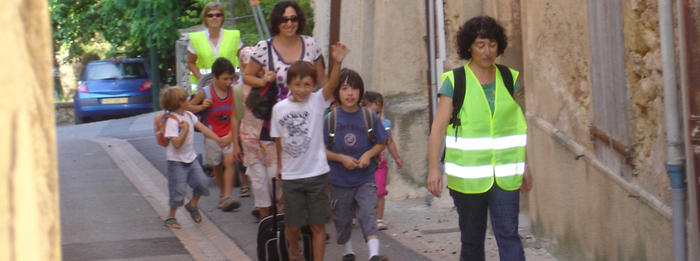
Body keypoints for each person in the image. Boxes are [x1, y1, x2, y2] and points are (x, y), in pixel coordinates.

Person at [426, 16, 532, 261]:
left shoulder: (509, 79)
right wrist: (434, 170)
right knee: (472, 240)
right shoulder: (455, 82)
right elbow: (437, 128)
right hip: (468, 178)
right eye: (480, 44)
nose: (487, 51)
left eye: (492, 44)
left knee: (509, 235)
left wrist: (525, 165)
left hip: (505, 176)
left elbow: (516, 128)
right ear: (469, 46)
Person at [271, 43, 348, 261]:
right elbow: (278, 139)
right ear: (289, 85)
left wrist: (338, 61)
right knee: (292, 225)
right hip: (292, 176)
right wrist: (279, 166)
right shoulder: (279, 109)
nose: (302, 89)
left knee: (317, 225)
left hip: (316, 174)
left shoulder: (316, 101)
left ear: (313, 85)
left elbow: (332, 85)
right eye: (297, 84)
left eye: (307, 85)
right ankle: (295, 249)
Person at [325, 69, 389, 261]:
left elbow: (381, 142)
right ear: (337, 92)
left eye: (354, 88)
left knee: (368, 214)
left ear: (361, 91)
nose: (350, 93)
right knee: (342, 219)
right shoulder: (331, 119)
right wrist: (341, 158)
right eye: (344, 88)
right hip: (339, 181)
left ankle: (374, 254)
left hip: (365, 179)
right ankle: (348, 251)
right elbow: (322, 150)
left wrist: (368, 155)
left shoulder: (369, 117)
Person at [159, 86, 223, 228]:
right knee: (178, 189)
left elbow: (203, 127)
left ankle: (192, 204)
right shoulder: (172, 121)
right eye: (185, 98)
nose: (189, 100)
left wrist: (218, 139)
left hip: (191, 158)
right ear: (179, 103)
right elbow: (176, 143)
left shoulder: (188, 115)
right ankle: (171, 217)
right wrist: (186, 130)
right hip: (176, 161)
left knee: (202, 182)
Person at [243, 0, 328, 101]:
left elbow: (322, 81)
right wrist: (263, 81)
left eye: (293, 19)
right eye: (284, 20)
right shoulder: (265, 47)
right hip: (276, 113)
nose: (289, 23)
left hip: (308, 111)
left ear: (299, 20)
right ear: (277, 22)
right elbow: (247, 76)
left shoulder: (311, 44)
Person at [187, 57, 242, 212]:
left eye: (231, 78)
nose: (228, 82)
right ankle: (222, 195)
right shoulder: (205, 92)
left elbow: (239, 115)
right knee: (216, 165)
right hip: (211, 135)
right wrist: (201, 106)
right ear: (215, 77)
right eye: (225, 79)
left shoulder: (234, 92)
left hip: (229, 134)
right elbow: (188, 107)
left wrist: (231, 136)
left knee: (229, 161)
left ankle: (227, 196)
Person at [237, 46, 279, 220]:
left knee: (273, 178)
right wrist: (235, 144)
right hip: (249, 138)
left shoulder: (274, 84)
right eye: (245, 65)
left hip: (270, 136)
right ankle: (265, 220)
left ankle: (279, 213)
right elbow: (236, 116)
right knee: (258, 180)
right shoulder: (238, 89)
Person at [362, 90, 403, 231]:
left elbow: (390, 142)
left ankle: (379, 219)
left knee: (380, 191)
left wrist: (396, 157)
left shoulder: (384, 125)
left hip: (380, 165)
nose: (375, 116)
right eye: (371, 113)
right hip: (364, 166)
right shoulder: (360, 125)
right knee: (363, 193)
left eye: (378, 113)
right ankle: (362, 216)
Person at [187, 2, 242, 92]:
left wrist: (239, 76)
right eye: (210, 15)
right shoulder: (195, 39)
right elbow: (190, 63)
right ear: (205, 18)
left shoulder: (234, 36)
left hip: (230, 85)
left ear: (222, 17)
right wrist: (202, 79)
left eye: (218, 15)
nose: (214, 18)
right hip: (205, 88)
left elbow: (244, 58)